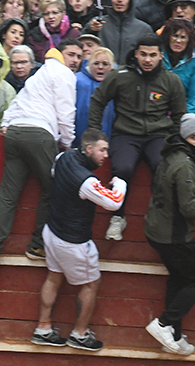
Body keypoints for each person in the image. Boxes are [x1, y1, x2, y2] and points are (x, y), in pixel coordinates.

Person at [0, 38, 81, 268]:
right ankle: (37, 245)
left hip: (15, 133)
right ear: (61, 54)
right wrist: (66, 142)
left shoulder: (39, 74)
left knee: (8, 196)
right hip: (40, 134)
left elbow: (16, 104)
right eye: (72, 54)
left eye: (78, 56)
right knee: (53, 189)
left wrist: (6, 123)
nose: (75, 60)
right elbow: (66, 113)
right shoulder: (64, 74)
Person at [30, 129, 126, 352]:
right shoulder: (86, 180)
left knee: (54, 277)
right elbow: (113, 203)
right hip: (72, 241)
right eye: (102, 150)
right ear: (89, 149)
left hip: (52, 231)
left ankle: (43, 329)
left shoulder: (64, 157)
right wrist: (120, 182)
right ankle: (80, 334)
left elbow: (54, 172)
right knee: (91, 283)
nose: (105, 156)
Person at [88, 34, 185, 241]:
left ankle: (161, 218)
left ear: (161, 56)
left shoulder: (171, 80)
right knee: (122, 168)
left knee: (163, 167)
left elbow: (179, 115)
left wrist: (176, 143)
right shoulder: (120, 75)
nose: (147, 59)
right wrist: (96, 134)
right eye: (143, 54)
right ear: (136, 54)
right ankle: (118, 217)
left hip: (158, 135)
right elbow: (98, 101)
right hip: (126, 133)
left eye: (152, 55)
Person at [143, 114, 195, 355]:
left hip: (158, 230)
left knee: (179, 278)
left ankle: (172, 333)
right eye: (194, 137)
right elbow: (189, 207)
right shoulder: (185, 164)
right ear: (185, 138)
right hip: (173, 235)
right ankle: (164, 323)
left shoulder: (173, 155)